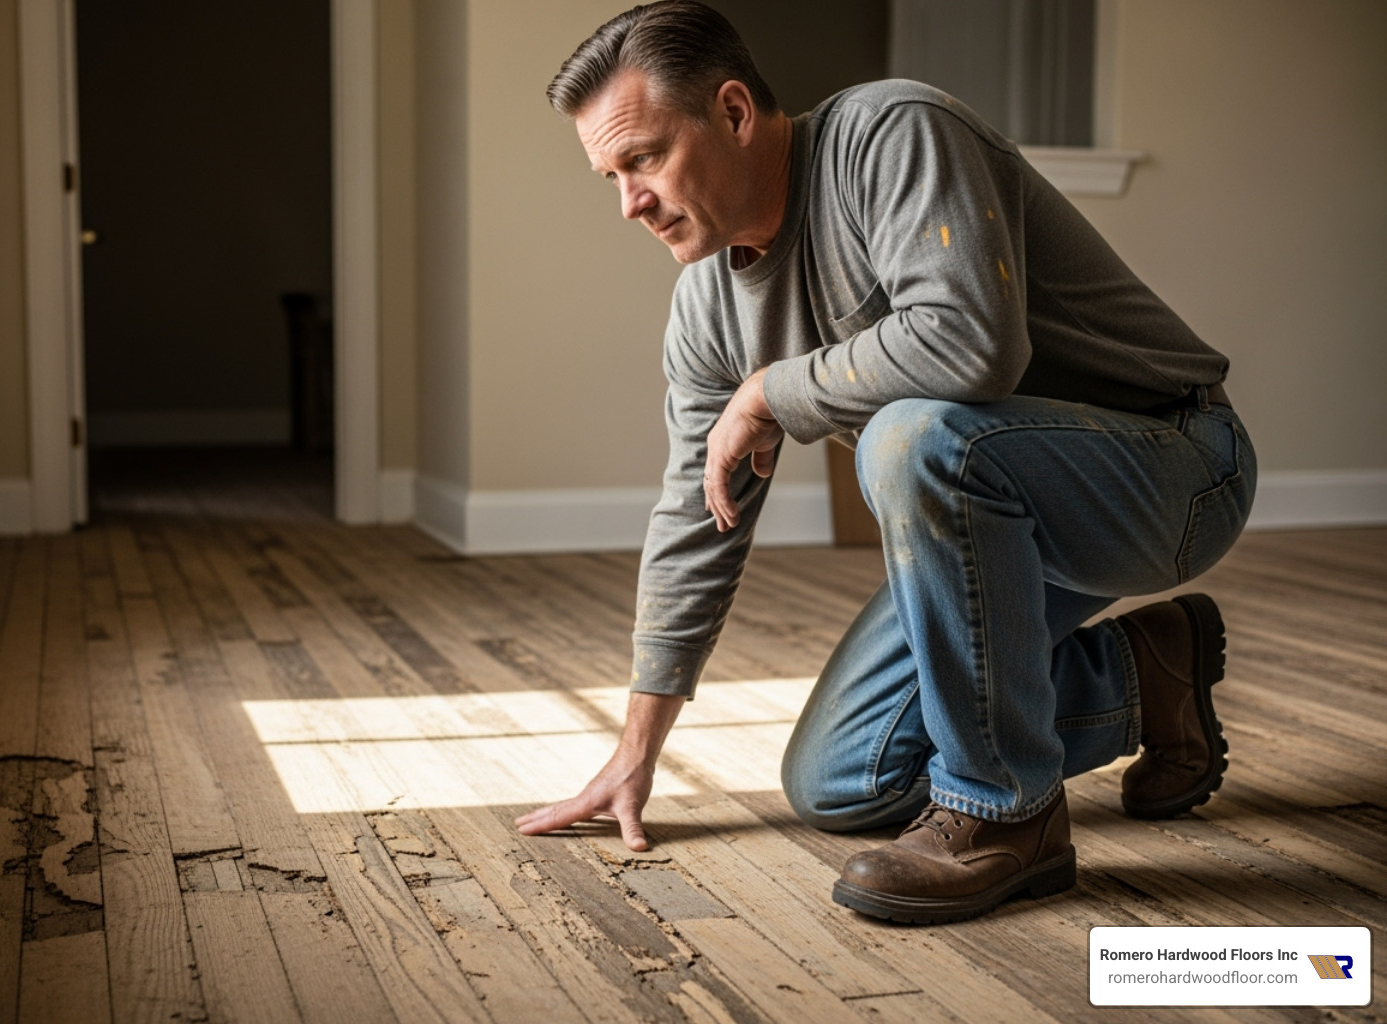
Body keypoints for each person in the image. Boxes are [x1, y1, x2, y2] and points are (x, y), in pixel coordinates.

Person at [514, 0, 1256, 924]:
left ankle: (1005, 813)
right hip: (1009, 524)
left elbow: (970, 347)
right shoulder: (706, 306)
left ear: (734, 113)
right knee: (841, 780)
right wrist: (635, 752)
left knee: (914, 437)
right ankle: (1148, 678)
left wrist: (766, 392)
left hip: (1173, 470)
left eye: (644, 158)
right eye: (610, 176)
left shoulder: (892, 133)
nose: (629, 201)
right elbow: (696, 518)